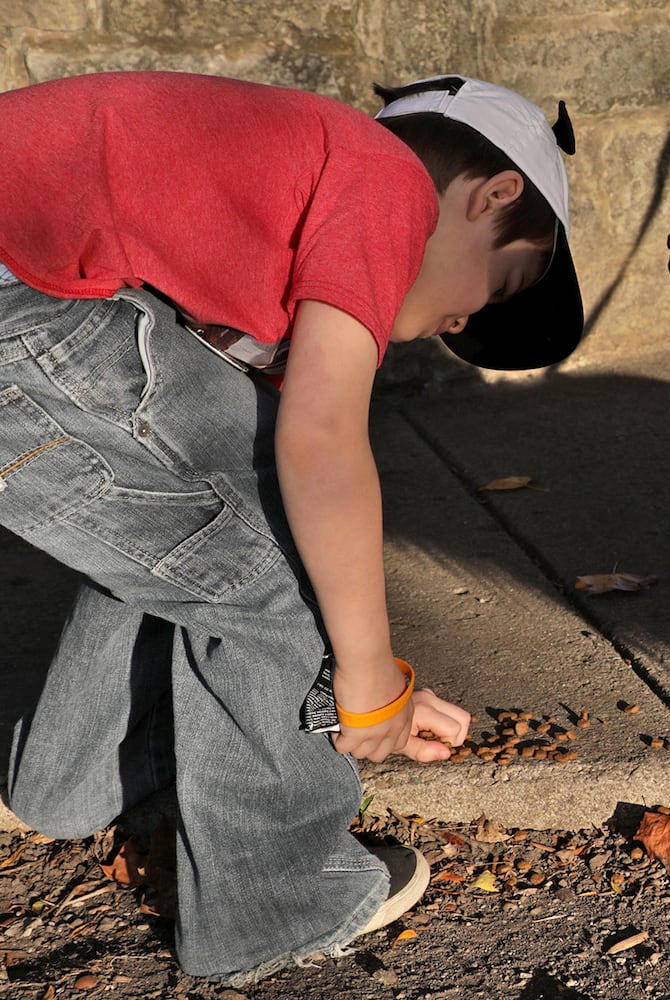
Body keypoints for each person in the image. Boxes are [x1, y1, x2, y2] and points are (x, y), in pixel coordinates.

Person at [0, 71, 583, 982]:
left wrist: (353, 678)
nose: (462, 322)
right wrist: (365, 679)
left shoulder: (268, 223)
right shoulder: (386, 181)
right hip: (18, 297)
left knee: (214, 531)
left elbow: (225, 493)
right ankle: (277, 900)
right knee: (288, 551)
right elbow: (319, 450)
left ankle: (77, 781)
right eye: (500, 285)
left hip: (27, 298)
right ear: (490, 194)